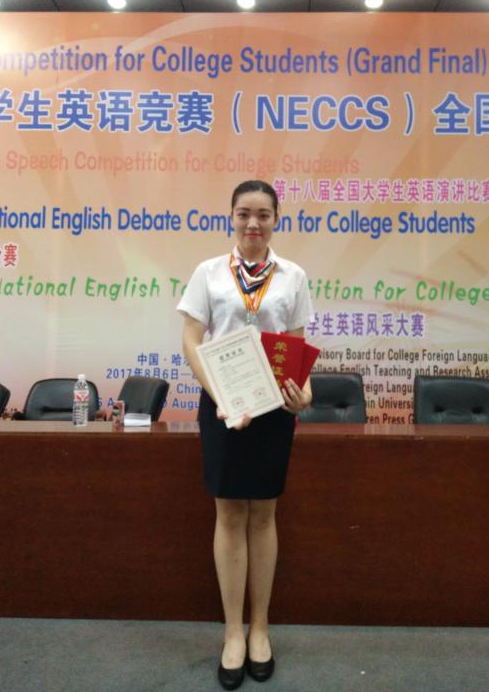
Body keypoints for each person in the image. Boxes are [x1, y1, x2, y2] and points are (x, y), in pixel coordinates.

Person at [177, 179, 313, 690]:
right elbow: (191, 340)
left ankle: (261, 629)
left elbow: (296, 347)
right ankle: (233, 632)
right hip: (221, 407)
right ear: (231, 217)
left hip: (272, 411)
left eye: (263, 214)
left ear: (276, 219)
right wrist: (222, 396)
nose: (253, 223)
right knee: (230, 513)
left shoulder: (293, 276)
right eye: (244, 214)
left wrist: (303, 391)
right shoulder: (208, 273)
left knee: (265, 514)